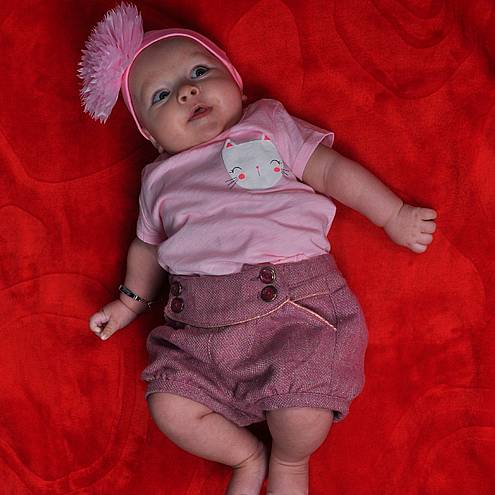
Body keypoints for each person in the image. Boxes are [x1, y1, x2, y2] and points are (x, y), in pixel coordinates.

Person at [80, 4, 437, 494]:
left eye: (199, 72)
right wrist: (128, 303)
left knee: (303, 411)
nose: (187, 91)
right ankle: (246, 457)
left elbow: (330, 170)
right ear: (154, 139)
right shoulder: (158, 180)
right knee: (168, 405)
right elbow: (146, 247)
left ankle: (289, 462)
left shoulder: (266, 124)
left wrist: (393, 215)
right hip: (198, 333)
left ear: (237, 85)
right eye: (161, 95)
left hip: (292, 311)